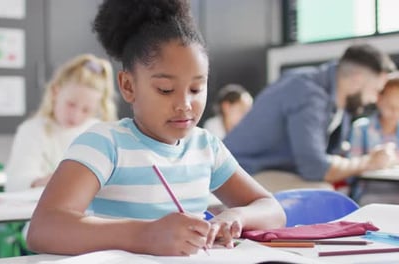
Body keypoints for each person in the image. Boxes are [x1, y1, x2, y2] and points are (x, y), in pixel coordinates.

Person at [27, 0, 285, 256]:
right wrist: (146, 235)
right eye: (165, 90)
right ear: (128, 86)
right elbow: (44, 229)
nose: (185, 105)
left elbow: (272, 209)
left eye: (196, 89)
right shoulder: (105, 143)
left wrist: (236, 215)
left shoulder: (206, 147)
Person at [223, 43, 399, 192]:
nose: (374, 99)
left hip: (269, 171)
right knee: (323, 194)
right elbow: (316, 168)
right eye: (376, 90)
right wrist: (370, 162)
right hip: (238, 172)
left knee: (328, 193)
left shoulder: (337, 103)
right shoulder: (308, 94)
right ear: (357, 79)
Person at [4, 54, 117, 192]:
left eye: (86, 110)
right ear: (55, 92)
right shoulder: (32, 130)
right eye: (71, 104)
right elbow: (14, 184)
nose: (75, 116)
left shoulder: (100, 132)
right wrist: (50, 180)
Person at [349, 72, 399, 204]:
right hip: (371, 194)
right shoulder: (361, 128)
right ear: (379, 100)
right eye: (391, 107)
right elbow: (351, 169)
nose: (396, 113)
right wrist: (372, 161)